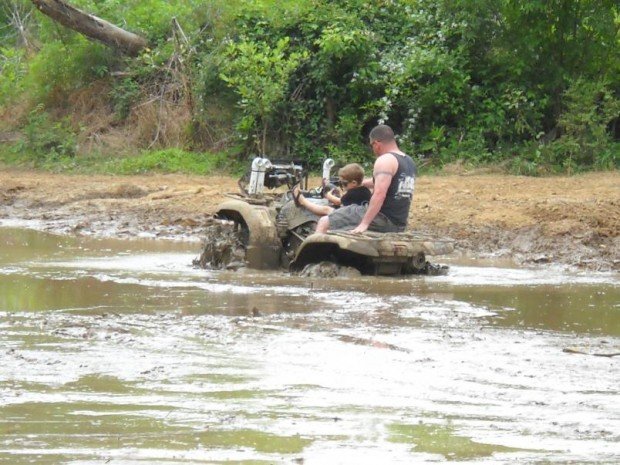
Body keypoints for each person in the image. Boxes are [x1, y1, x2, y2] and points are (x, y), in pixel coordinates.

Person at [316, 124, 416, 234]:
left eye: (371, 145)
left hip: (381, 219)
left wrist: (364, 223)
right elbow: (389, 184)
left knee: (324, 221)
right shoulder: (408, 161)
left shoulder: (385, 160)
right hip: (399, 223)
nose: (373, 149)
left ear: (376, 144)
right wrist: (361, 183)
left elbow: (379, 194)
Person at [292, 163, 371, 217]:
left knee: (326, 209)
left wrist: (328, 195)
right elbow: (348, 200)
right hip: (359, 214)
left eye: (344, 184)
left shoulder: (352, 193)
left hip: (350, 216)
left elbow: (337, 201)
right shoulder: (365, 191)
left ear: (354, 183)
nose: (342, 186)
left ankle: (302, 200)